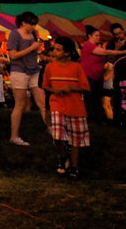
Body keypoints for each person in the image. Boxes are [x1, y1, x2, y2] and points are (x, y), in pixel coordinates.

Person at [42, 36, 90, 178]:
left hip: (75, 107)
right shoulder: (50, 67)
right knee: (57, 135)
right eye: (54, 49)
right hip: (57, 104)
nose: (55, 52)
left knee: (76, 139)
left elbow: (85, 87)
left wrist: (72, 88)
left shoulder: (76, 67)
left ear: (67, 52)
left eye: (58, 49)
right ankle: (62, 157)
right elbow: (45, 86)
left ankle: (74, 166)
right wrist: (54, 91)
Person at [7, 11, 46, 145]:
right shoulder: (14, 34)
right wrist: (32, 48)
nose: (34, 27)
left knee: (42, 102)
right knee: (20, 104)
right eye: (32, 24)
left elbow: (32, 51)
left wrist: (38, 50)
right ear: (24, 23)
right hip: (19, 71)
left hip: (34, 70)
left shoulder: (33, 35)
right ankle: (14, 136)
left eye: (35, 24)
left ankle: (52, 130)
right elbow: (13, 55)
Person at [80, 25, 126, 122]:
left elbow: (107, 57)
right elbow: (105, 52)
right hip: (89, 77)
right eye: (96, 35)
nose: (98, 37)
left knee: (97, 99)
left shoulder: (95, 47)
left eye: (98, 35)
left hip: (97, 77)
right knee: (90, 99)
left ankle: (97, 119)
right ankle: (91, 119)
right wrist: (122, 52)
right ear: (89, 36)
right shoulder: (89, 45)